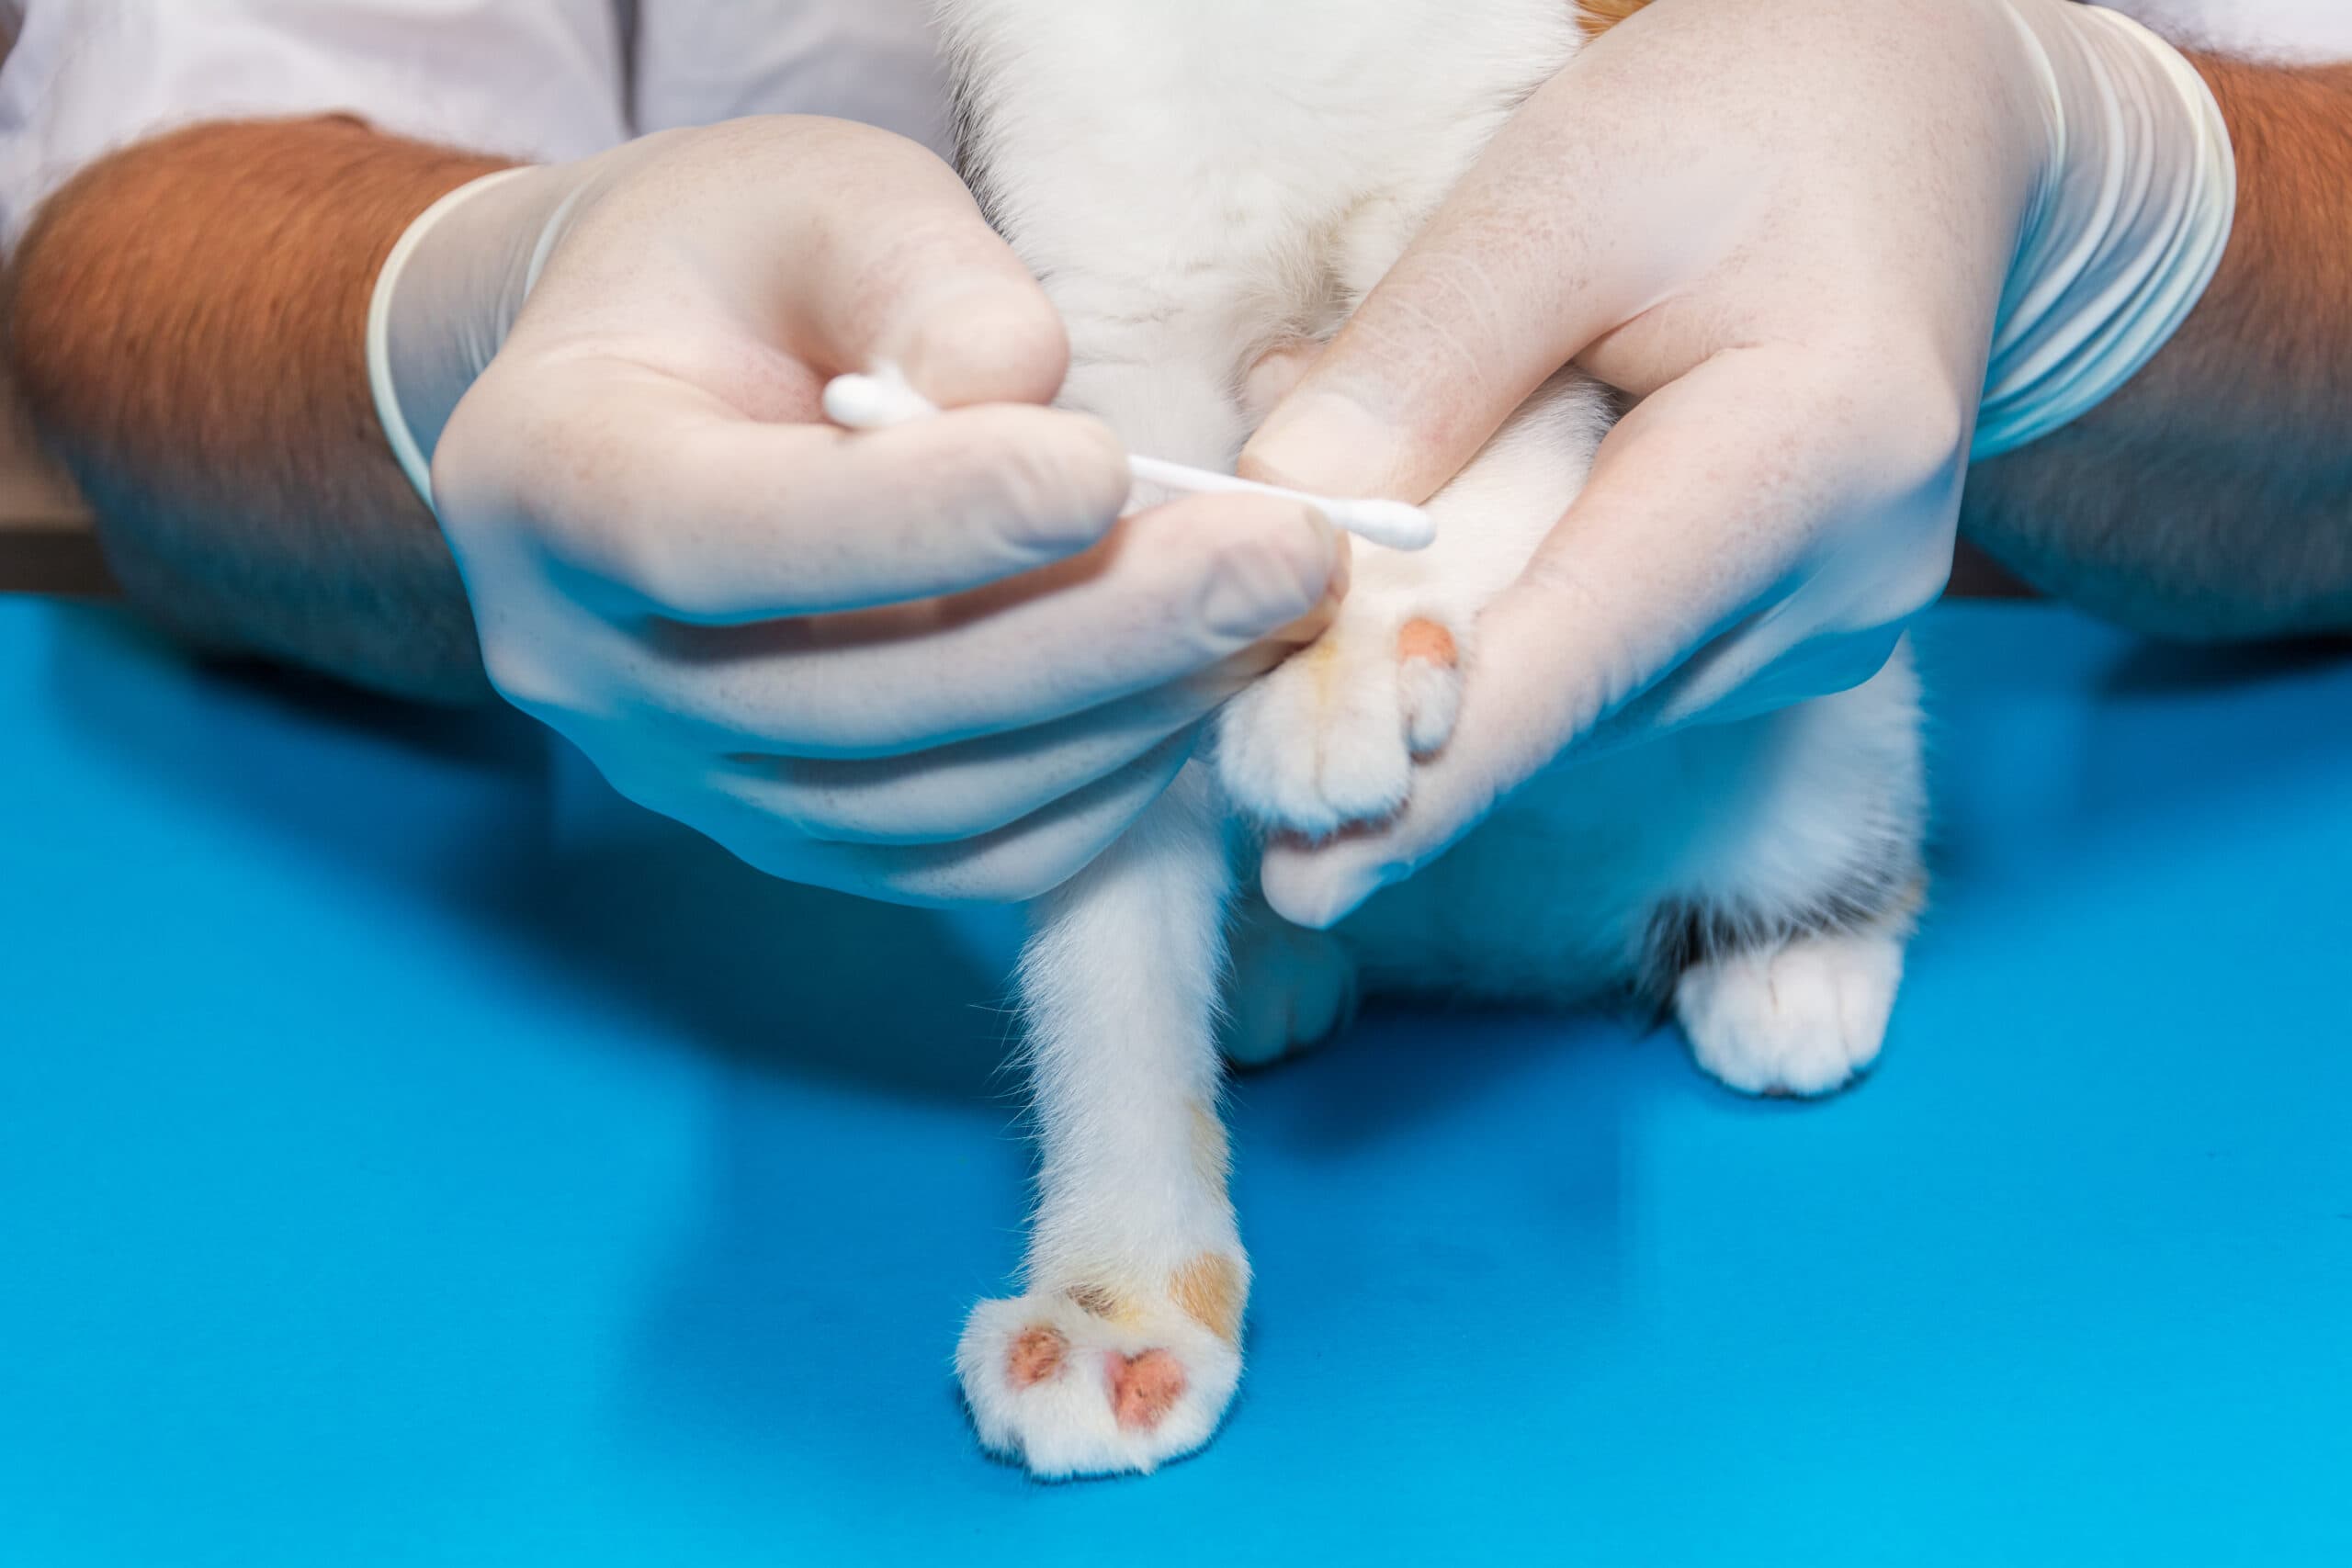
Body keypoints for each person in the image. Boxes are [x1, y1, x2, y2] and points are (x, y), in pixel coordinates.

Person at [3, 0, 2346, 922]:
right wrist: (472, 327)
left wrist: (2076, 189)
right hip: (849, 901)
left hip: (1838, 851)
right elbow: (152, 211)